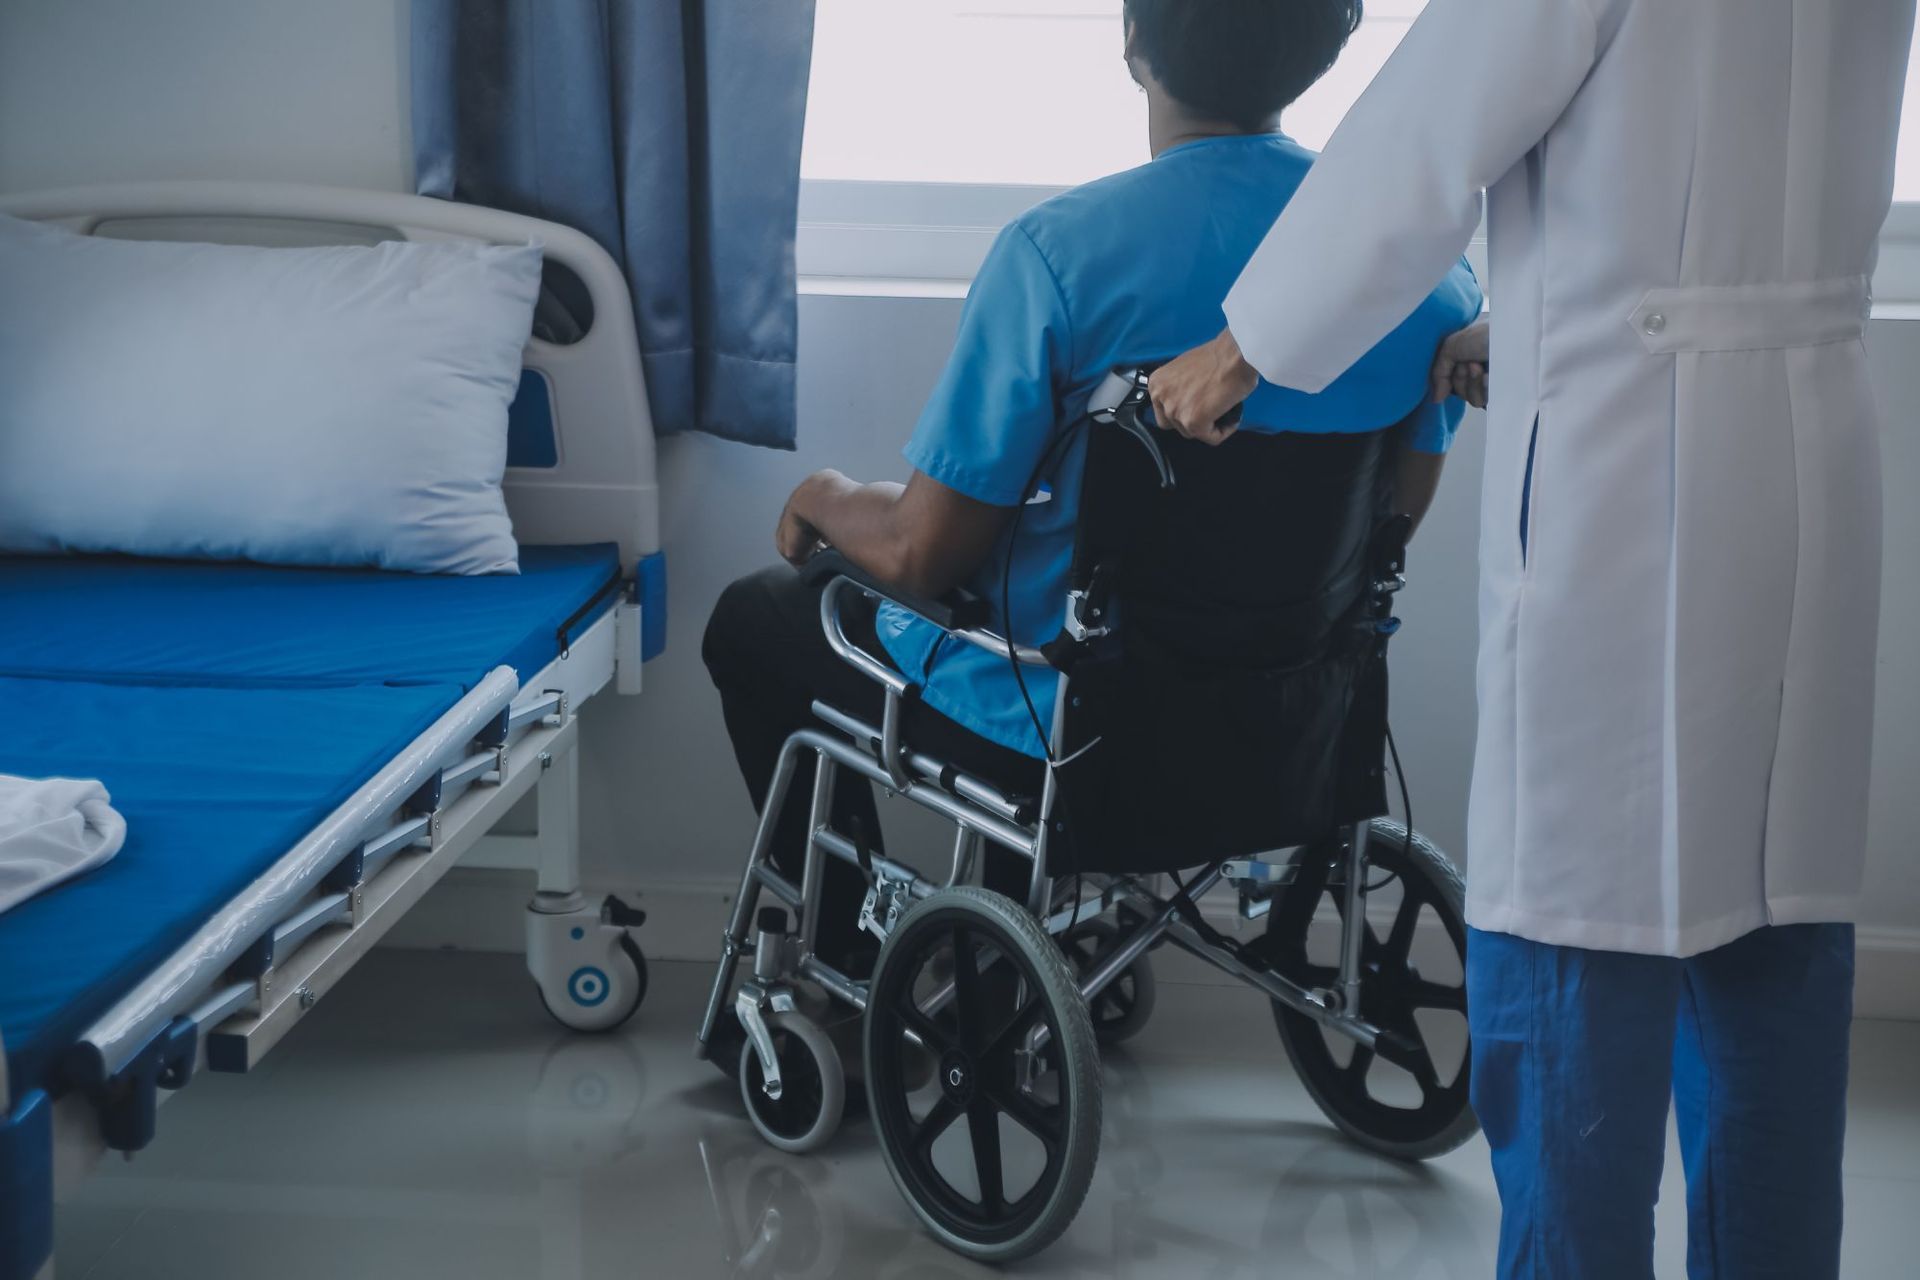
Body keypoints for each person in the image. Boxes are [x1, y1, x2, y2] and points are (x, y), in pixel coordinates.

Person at [1146, 1, 1915, 1276]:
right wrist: (1560, 308)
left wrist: (1242, 347)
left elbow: (1429, 134)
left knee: (1574, 923)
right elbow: (1717, 174)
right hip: (1809, 453)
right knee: (1773, 921)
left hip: (1633, 483)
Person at [701, 0, 1481, 1070]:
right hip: (1293, 723)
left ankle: (840, 957)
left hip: (1074, 732)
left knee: (757, 620)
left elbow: (925, 553)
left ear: (1133, 41)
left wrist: (826, 494)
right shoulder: (1419, 276)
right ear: (1322, 51)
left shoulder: (1060, 257)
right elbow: (1391, 526)